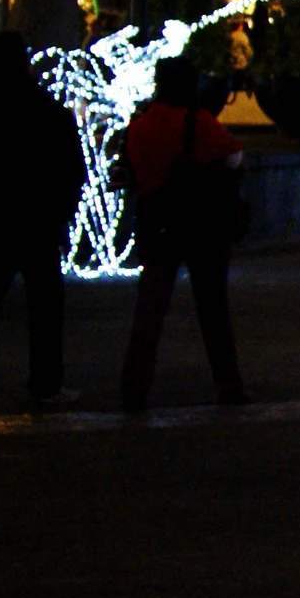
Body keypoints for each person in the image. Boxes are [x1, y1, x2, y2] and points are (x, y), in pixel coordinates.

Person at [0, 31, 86, 412]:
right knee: (45, 302)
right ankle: (46, 383)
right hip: (37, 221)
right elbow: (71, 169)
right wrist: (60, 214)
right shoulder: (46, 109)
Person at [119, 55, 249, 411]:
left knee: (150, 307)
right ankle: (228, 383)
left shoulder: (141, 124)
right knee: (213, 307)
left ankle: (135, 383)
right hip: (201, 225)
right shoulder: (198, 122)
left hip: (155, 221)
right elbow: (235, 159)